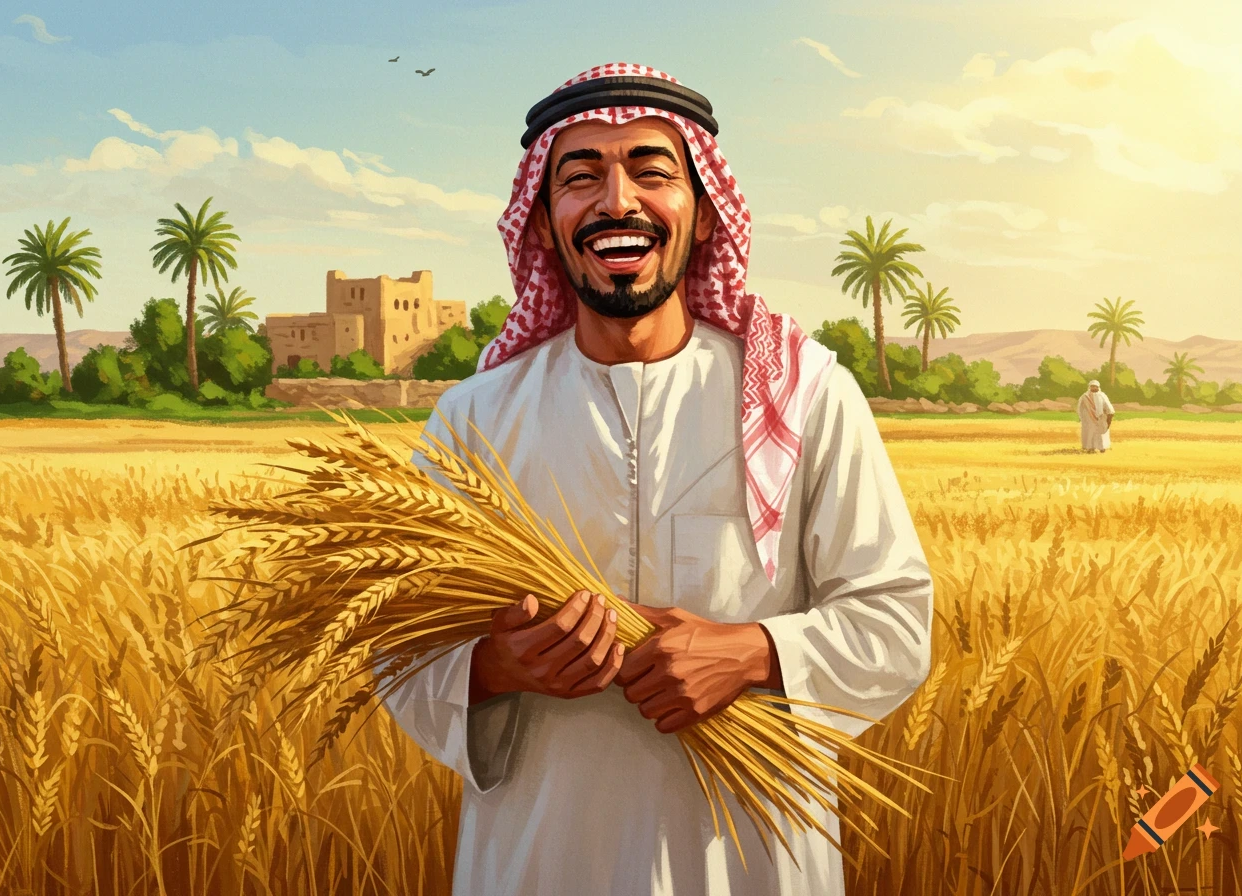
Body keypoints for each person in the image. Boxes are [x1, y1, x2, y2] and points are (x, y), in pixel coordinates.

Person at [381, 62, 933, 896]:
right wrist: (498, 667)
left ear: (706, 214)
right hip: (541, 861)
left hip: (754, 864)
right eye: (579, 178)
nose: (616, 201)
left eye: (650, 169)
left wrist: (752, 652)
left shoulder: (806, 394)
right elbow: (399, 652)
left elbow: (896, 623)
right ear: (542, 224)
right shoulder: (476, 419)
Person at [1079, 379, 1115, 453]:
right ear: (1089, 387)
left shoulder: (1102, 395)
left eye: (1095, 386)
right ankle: (1089, 448)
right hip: (1089, 419)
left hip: (1100, 418)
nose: (1094, 388)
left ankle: (1102, 448)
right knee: (1089, 433)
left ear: (1098, 387)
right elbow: (1080, 407)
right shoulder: (1085, 396)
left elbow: (1108, 406)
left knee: (1100, 433)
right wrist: (1083, 417)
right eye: (1092, 386)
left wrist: (1109, 416)